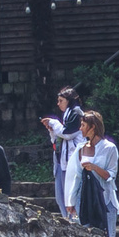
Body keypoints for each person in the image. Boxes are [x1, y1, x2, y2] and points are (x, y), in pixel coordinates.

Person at [39, 87, 83, 222]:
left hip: (72, 162)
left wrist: (53, 123)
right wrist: (52, 130)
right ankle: (67, 219)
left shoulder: (76, 113)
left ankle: (75, 221)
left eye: (61, 101)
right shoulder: (67, 115)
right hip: (60, 161)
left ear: (68, 101)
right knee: (60, 196)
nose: (58, 104)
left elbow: (67, 133)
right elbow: (58, 139)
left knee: (71, 195)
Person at [75, 110, 119, 237]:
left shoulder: (109, 148)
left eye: (83, 125)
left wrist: (94, 167)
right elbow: (75, 176)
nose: (80, 128)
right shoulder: (80, 148)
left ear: (93, 126)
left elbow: (111, 175)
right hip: (84, 199)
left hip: (104, 199)